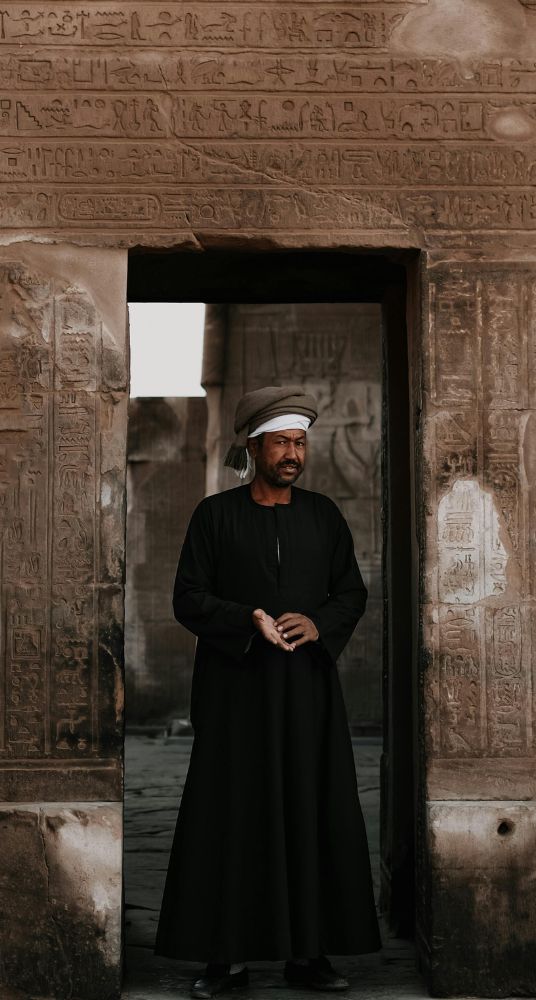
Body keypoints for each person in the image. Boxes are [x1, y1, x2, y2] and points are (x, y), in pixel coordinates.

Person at [154, 385, 381, 997]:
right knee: (234, 818)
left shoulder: (323, 516)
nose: (293, 453)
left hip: (308, 694)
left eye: (300, 443)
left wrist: (319, 623)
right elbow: (188, 598)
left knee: (310, 812)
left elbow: (350, 593)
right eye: (281, 442)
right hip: (237, 696)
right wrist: (245, 618)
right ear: (253, 448)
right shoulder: (215, 516)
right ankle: (224, 961)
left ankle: (308, 955)